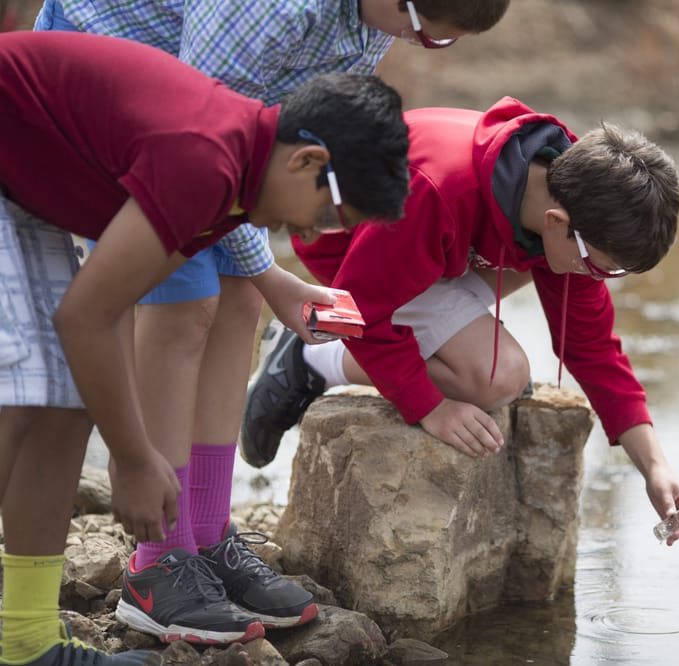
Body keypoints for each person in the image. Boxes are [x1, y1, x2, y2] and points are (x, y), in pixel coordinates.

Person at [33, 0, 508, 643]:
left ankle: (204, 531)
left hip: (201, 120)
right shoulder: (272, 7)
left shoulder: (373, 19)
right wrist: (273, 271)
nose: (418, 45)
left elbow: (258, 137)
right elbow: (197, 142)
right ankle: (157, 561)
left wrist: (265, 280)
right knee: (184, 310)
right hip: (108, 97)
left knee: (239, 304)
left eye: (441, 44)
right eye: (421, 30)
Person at [0, 30, 410, 664]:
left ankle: (24, 642)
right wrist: (134, 459)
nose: (315, 231)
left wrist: (130, 446)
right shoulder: (205, 160)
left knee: (67, 399)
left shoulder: (240, 173)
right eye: (331, 214)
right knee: (18, 402)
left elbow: (100, 317)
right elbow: (87, 316)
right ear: (307, 162)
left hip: (23, 187)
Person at [242, 97, 679, 545]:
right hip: (351, 253)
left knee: (526, 294)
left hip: (433, 250)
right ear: (558, 223)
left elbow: (591, 346)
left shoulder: (570, 193)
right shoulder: (438, 190)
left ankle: (410, 334)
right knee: (497, 377)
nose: (600, 279)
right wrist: (427, 406)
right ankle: (312, 355)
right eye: (601, 268)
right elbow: (360, 306)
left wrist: (655, 467)